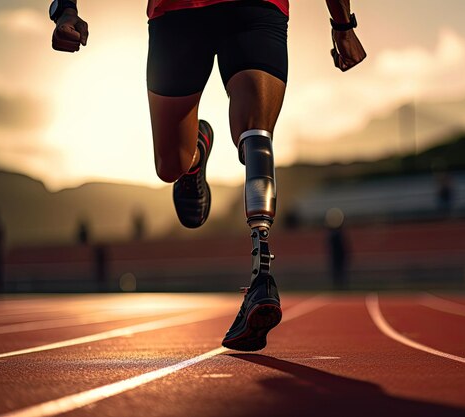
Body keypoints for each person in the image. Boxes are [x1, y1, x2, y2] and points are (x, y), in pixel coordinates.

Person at [50, 0, 366, 351]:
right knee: (170, 165)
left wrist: (343, 23)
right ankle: (196, 155)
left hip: (256, 9)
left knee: (256, 134)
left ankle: (262, 277)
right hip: (177, 13)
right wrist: (65, 8)